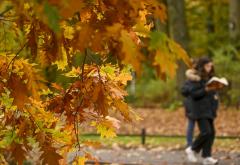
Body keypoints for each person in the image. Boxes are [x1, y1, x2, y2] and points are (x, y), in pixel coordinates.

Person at [181, 57, 220, 165]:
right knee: (205, 132)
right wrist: (205, 90)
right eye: (207, 66)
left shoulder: (210, 78)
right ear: (202, 66)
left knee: (211, 133)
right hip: (199, 109)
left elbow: (213, 94)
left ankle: (207, 157)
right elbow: (193, 94)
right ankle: (192, 149)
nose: (209, 68)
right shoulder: (196, 78)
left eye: (211, 66)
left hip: (210, 109)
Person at [182, 59, 200, 148]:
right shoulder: (189, 77)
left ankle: (199, 144)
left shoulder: (202, 76)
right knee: (191, 125)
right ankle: (189, 144)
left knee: (203, 127)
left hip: (200, 104)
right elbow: (184, 90)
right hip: (191, 105)